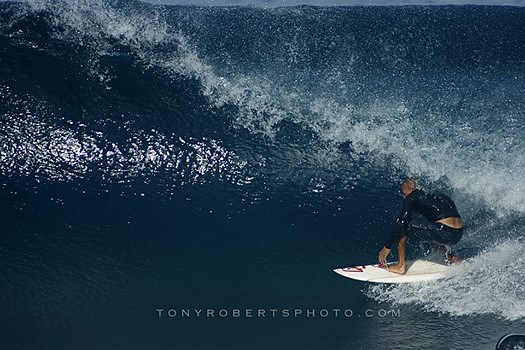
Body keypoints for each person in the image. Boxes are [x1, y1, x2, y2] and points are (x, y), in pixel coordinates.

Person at [378, 178, 464, 274]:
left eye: (404, 193)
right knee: (427, 232)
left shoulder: (412, 197)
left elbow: (401, 222)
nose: (404, 197)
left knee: (404, 227)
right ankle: (452, 258)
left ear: (411, 189)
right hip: (457, 234)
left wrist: (386, 247)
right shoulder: (437, 195)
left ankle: (400, 266)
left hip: (443, 232)